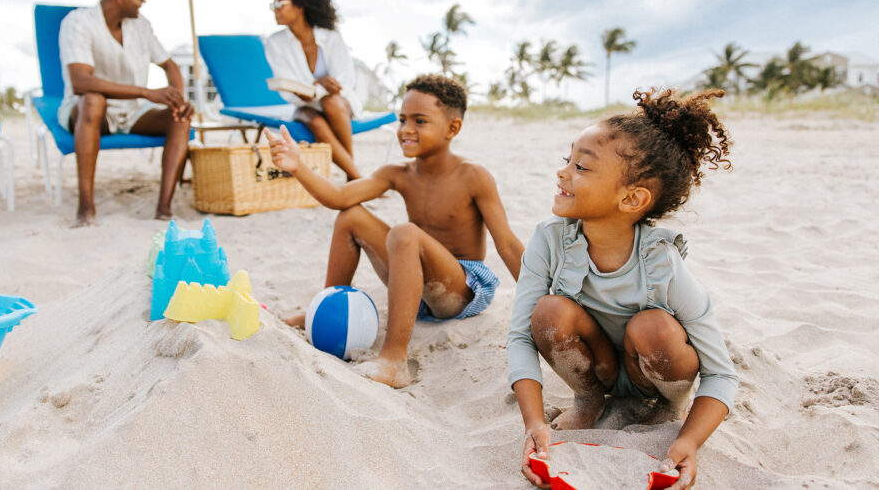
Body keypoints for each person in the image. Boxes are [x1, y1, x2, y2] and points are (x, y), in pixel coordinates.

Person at [508, 88, 739, 490]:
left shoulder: (663, 263)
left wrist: (688, 441)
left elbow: (721, 374)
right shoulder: (549, 240)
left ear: (632, 198)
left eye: (581, 167)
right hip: (598, 367)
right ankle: (588, 399)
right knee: (548, 312)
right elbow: (519, 336)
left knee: (652, 326)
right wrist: (533, 423)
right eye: (568, 161)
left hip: (655, 367)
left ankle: (667, 404)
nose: (563, 173)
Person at [266, 74, 524, 388]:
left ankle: (394, 360)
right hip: (414, 286)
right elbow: (338, 197)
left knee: (404, 233)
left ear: (452, 128)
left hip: (459, 290)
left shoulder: (473, 176)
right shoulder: (397, 174)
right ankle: (325, 308)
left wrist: (539, 300)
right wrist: (298, 166)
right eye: (402, 119)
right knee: (351, 216)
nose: (406, 130)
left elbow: (507, 244)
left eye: (420, 121)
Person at [58, 0, 194, 227]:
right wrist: (146, 92)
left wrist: (178, 98)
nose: (144, 1)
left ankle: (164, 209)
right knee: (92, 99)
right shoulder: (78, 22)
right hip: (90, 113)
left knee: (180, 117)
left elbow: (170, 65)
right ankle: (86, 209)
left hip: (134, 111)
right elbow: (80, 82)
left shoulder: (141, 25)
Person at [263, 0, 364, 180]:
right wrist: (317, 87)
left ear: (299, 4)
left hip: (339, 104)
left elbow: (344, 81)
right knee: (316, 121)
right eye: (274, 4)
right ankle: (355, 176)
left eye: (280, 3)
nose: (275, 9)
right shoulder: (274, 43)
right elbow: (286, 85)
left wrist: (319, 89)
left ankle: (352, 175)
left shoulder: (331, 36)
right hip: (303, 106)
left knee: (332, 102)